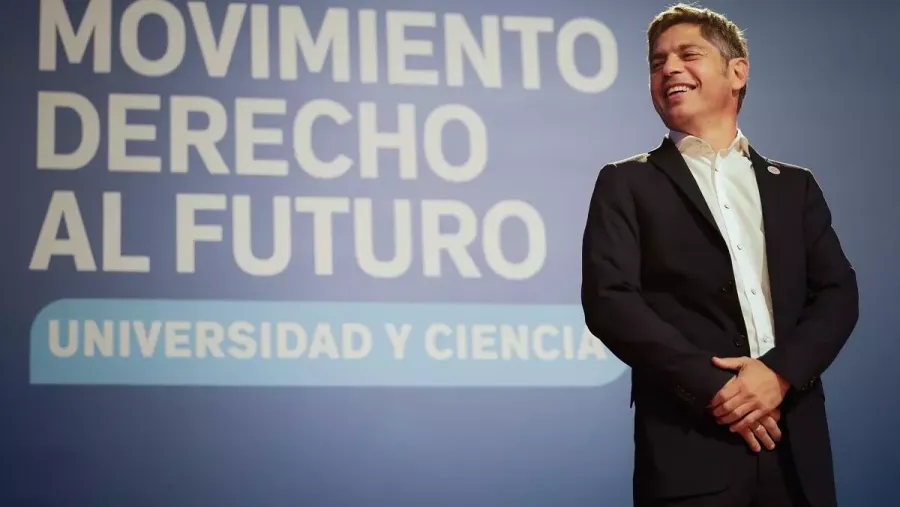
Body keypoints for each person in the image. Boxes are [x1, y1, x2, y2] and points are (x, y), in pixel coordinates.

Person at [580, 4, 859, 507]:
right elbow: (610, 301)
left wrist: (778, 374)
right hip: (691, 449)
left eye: (688, 54)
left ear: (737, 72)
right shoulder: (627, 182)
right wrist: (718, 389)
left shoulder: (794, 187)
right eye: (657, 62)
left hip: (795, 448)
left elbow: (838, 294)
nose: (669, 69)